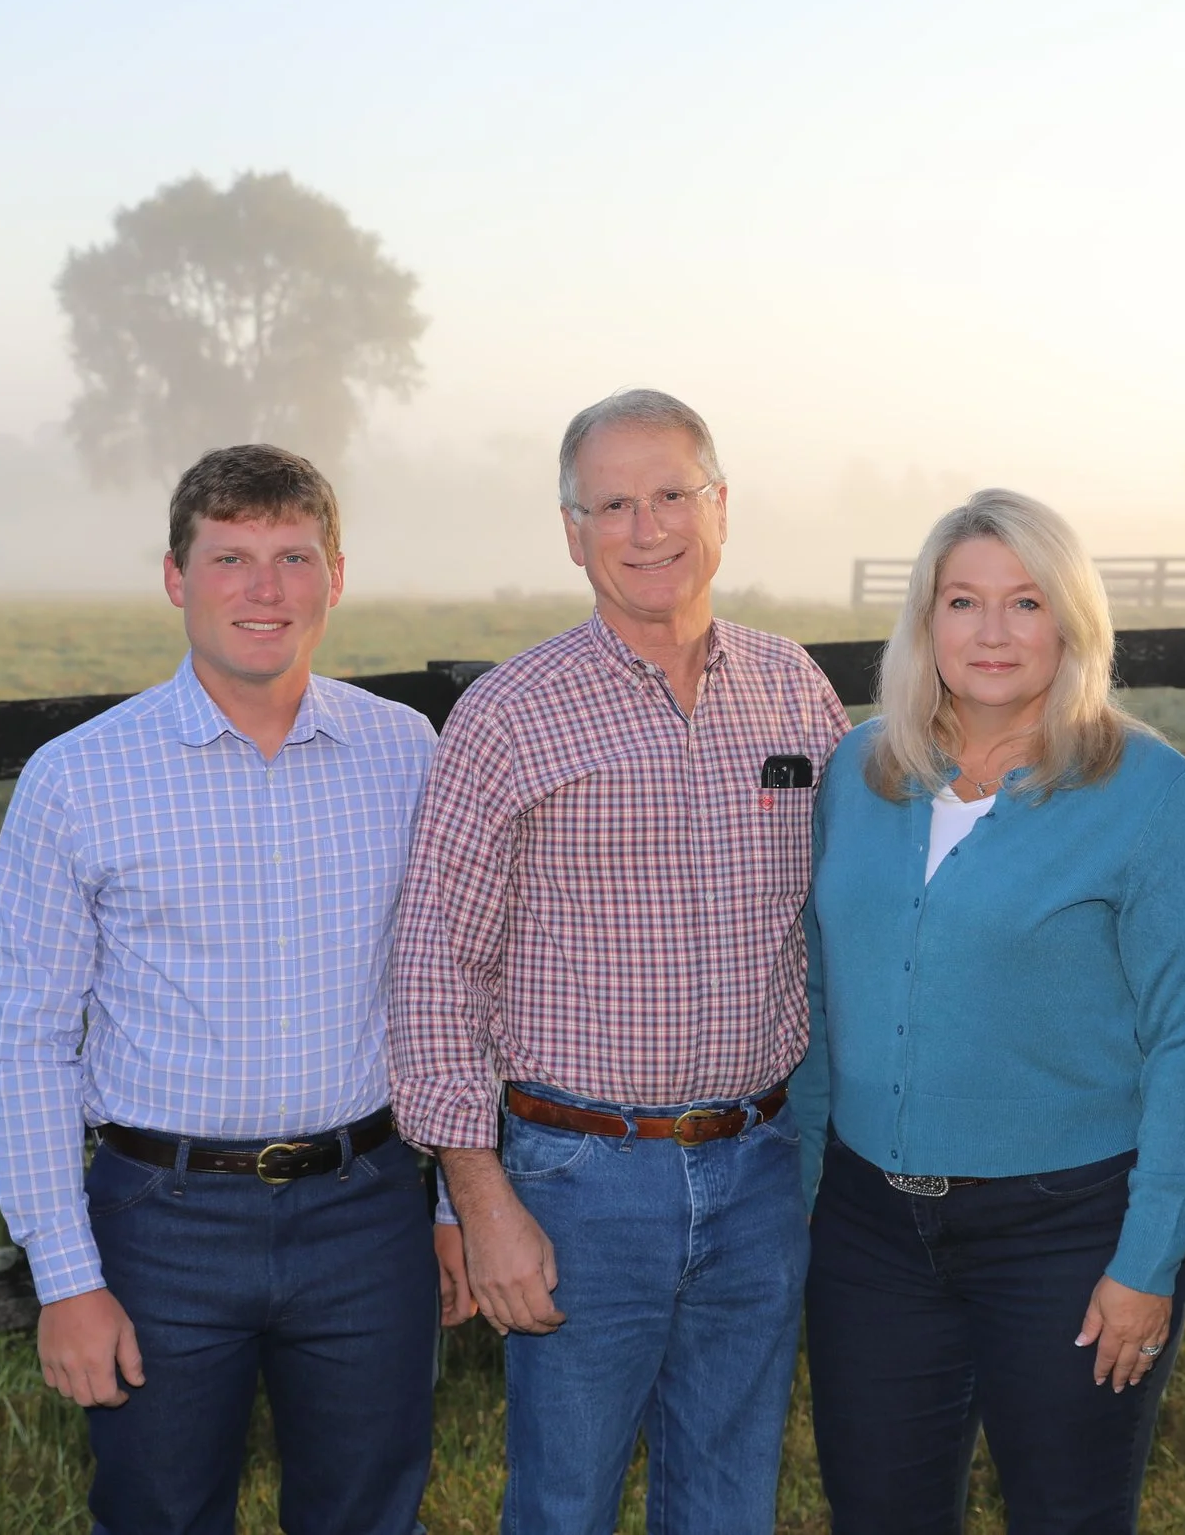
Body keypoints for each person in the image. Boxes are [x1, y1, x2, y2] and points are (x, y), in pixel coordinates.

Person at [388, 389, 850, 1535]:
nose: (648, 528)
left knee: (730, 1493)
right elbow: (436, 968)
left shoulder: (794, 689)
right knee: (563, 1499)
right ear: (571, 530)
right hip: (578, 1177)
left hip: (757, 1165)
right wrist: (476, 1195)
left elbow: (853, 916)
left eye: (671, 494)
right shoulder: (508, 716)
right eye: (612, 503)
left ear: (721, 506)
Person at [0, 444, 462, 1535]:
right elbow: (27, 1040)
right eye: (230, 556)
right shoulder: (78, 776)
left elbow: (449, 988)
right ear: (174, 576)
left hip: (365, 1203)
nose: (265, 588)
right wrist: (66, 1275)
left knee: (371, 1511)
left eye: (295, 555)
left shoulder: (406, 751)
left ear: (334, 576)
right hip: (162, 1220)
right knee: (158, 1511)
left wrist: (449, 1200)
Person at [792, 488, 1185, 1535]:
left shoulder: (1148, 792)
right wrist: (810, 1184)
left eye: (1026, 601)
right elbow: (816, 987)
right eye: (963, 600)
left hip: (1065, 1233)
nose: (992, 631)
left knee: (1067, 1514)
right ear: (925, 622)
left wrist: (1146, 1259)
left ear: (1071, 622)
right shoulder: (858, 772)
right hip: (867, 1234)